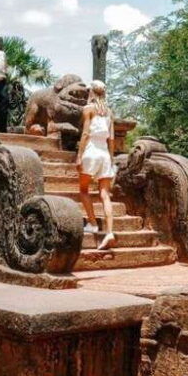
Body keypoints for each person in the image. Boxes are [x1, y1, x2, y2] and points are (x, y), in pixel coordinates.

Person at [76, 80, 117, 250]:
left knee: (83, 190)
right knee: (105, 194)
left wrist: (79, 156)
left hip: (91, 151)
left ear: (91, 92)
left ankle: (93, 224)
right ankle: (110, 233)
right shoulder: (109, 112)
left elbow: (86, 133)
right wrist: (112, 159)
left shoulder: (88, 109)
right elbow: (112, 139)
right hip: (104, 154)